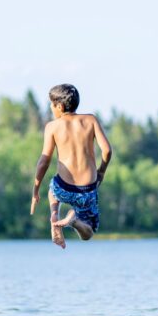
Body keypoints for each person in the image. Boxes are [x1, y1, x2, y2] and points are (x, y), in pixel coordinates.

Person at [30, 84, 112, 248]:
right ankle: (73, 221)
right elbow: (107, 150)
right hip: (87, 190)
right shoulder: (90, 120)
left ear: (59, 106)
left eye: (52, 106)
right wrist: (101, 172)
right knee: (88, 231)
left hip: (64, 188)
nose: (52, 109)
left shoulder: (52, 127)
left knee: (53, 189)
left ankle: (54, 214)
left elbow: (44, 161)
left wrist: (35, 191)